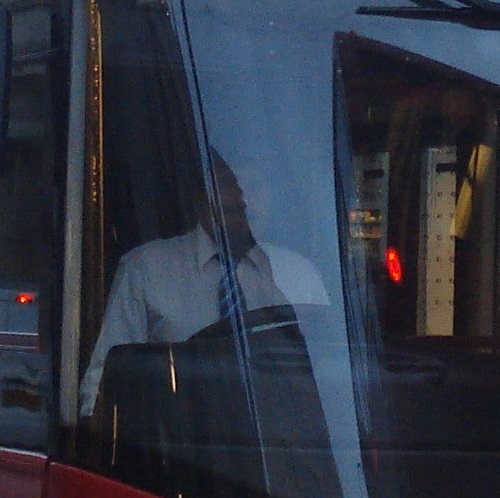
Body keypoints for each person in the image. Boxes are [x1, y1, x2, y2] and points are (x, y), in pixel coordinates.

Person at [79, 151, 327, 419]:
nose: (243, 199)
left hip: (279, 444)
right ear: (201, 197)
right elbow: (104, 380)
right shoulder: (146, 269)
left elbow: (328, 379)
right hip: (178, 444)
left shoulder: (301, 276)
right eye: (229, 184)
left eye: (255, 187)